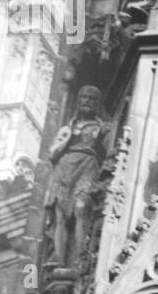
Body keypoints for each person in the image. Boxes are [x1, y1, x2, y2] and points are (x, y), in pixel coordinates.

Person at [43, 87, 110, 272]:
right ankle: (59, 260)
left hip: (88, 166)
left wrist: (102, 137)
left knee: (82, 207)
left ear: (98, 104)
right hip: (64, 169)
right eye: (83, 97)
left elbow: (109, 154)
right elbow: (52, 154)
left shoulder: (101, 128)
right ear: (78, 101)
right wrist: (68, 138)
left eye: (92, 98)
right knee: (61, 215)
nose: (86, 101)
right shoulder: (67, 128)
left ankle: (82, 257)